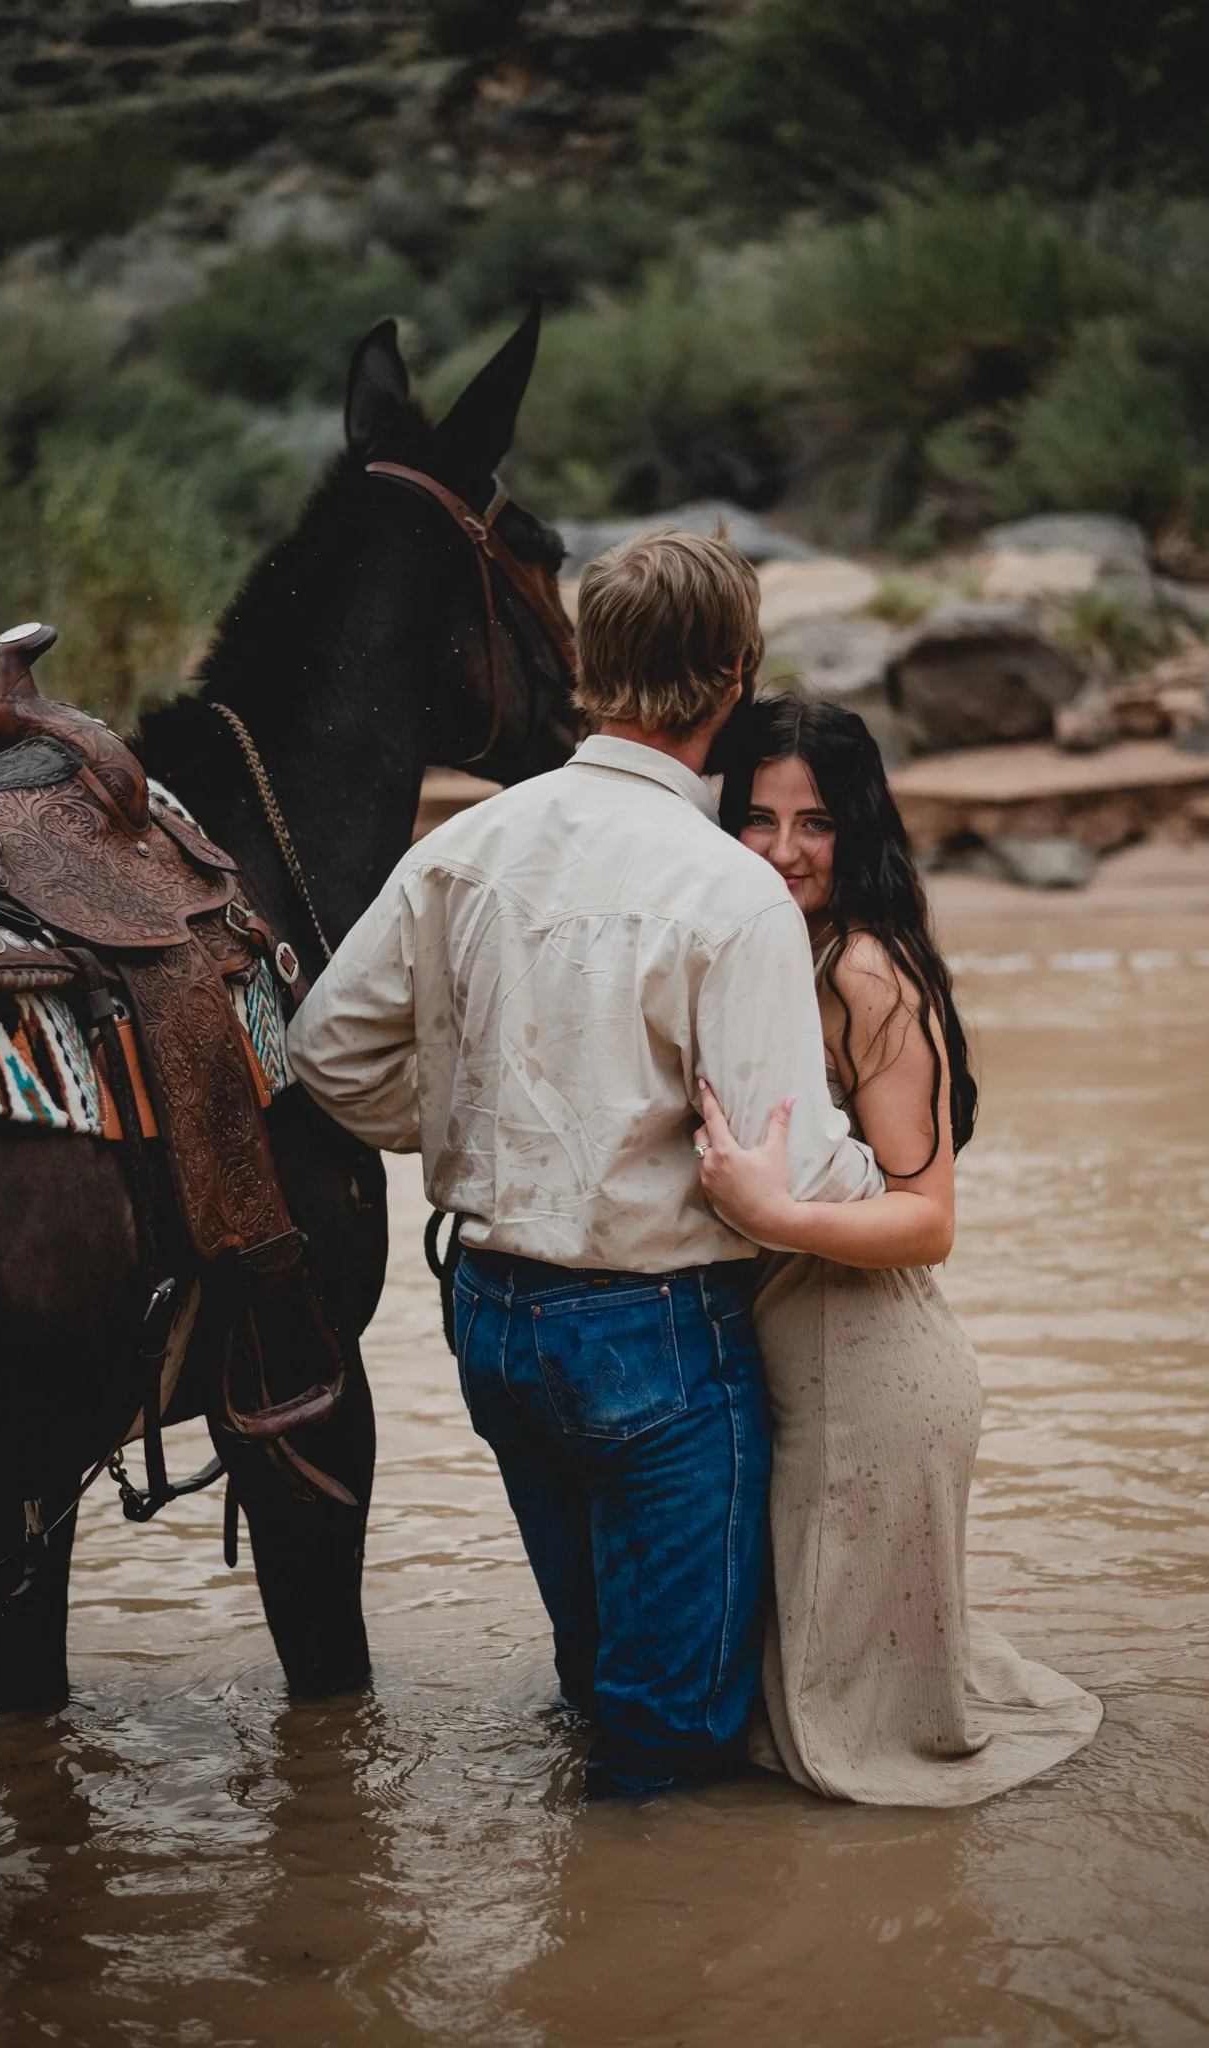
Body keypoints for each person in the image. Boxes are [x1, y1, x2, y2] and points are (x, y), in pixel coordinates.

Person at [287, 531, 882, 1798]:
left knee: (593, 1674)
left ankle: (583, 1951)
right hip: (656, 1331)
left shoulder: (467, 845)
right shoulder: (733, 893)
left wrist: (464, 1119)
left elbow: (324, 1051)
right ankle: (636, 1972)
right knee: (668, 1739)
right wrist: (889, 1190)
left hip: (492, 1320)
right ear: (734, 672)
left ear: (589, 665)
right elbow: (804, 1166)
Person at [694, 696, 1103, 1805]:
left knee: (841, 1758)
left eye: (814, 822)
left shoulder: (860, 970)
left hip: (867, 1382)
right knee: (808, 1717)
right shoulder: (787, 949)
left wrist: (766, 1211)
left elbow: (929, 1218)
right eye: (758, 819)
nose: (783, 851)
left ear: (856, 829)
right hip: (821, 1364)